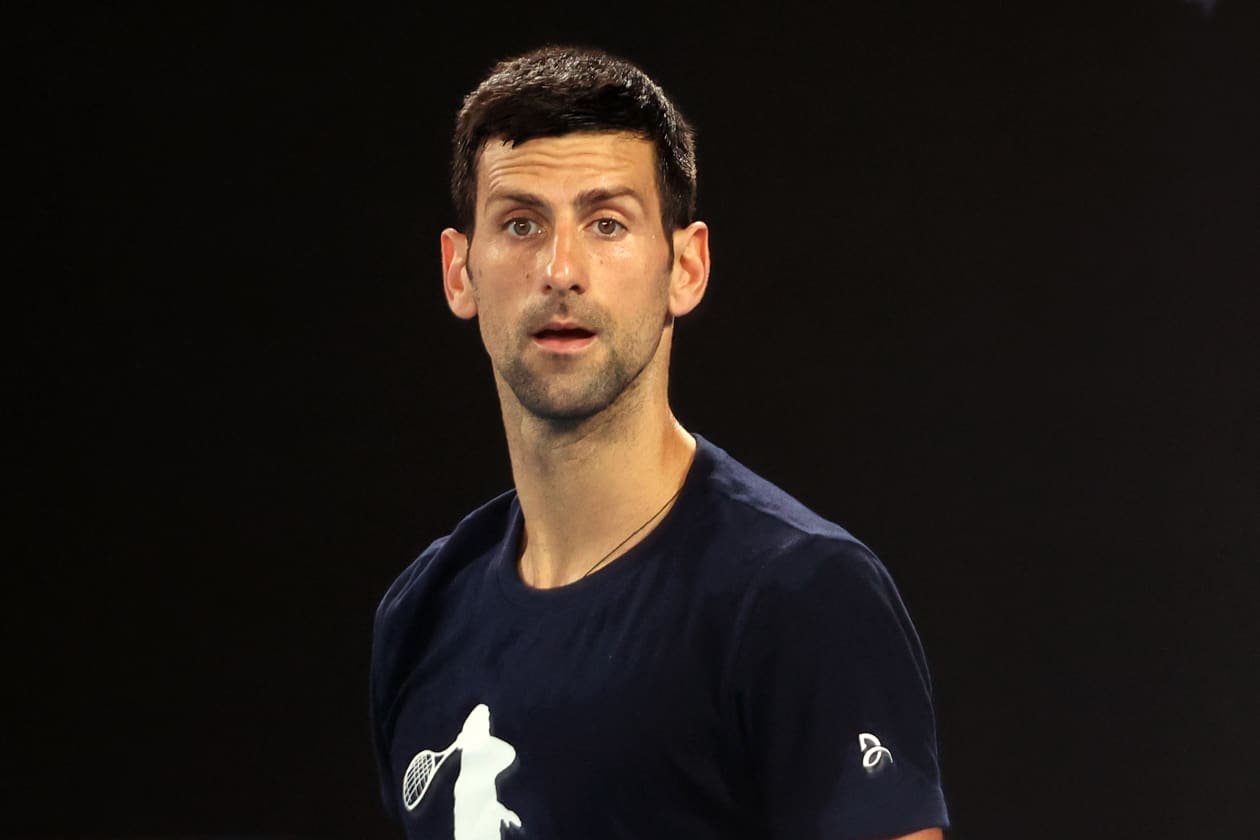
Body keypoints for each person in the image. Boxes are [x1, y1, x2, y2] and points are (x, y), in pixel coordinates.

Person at [370, 45, 949, 839]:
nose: (561, 269)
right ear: (459, 271)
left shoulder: (800, 598)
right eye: (520, 224)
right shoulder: (421, 615)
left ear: (686, 266)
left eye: (607, 223)